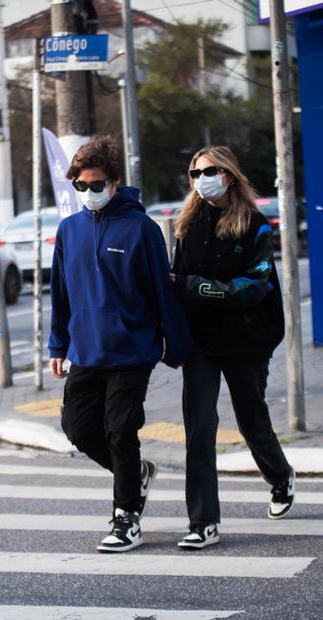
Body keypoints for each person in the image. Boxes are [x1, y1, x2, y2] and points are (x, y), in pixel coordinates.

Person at [49, 135, 192, 553]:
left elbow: (161, 294)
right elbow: (60, 293)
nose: (89, 194)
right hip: (86, 351)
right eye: (81, 186)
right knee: (77, 428)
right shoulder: (68, 231)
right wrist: (58, 345)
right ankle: (137, 474)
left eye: (97, 185)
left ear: (114, 182)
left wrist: (176, 346)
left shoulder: (142, 229)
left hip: (133, 351)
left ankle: (126, 517)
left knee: (119, 431)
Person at [172, 145, 295, 550]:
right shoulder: (186, 224)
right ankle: (203, 522)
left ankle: (280, 476)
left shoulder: (256, 226)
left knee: (251, 420)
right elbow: (174, 279)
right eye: (194, 173)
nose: (200, 179)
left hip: (246, 338)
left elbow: (254, 287)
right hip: (201, 342)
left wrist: (196, 288)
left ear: (228, 174)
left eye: (208, 171)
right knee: (199, 430)